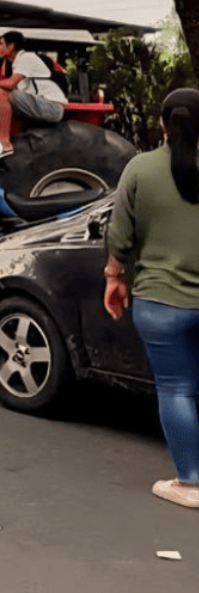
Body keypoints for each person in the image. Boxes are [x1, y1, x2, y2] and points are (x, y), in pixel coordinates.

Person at [105, 88, 199, 509]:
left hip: (160, 302)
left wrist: (114, 277)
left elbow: (119, 236)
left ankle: (191, 483)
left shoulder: (140, 169)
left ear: (163, 124)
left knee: (177, 390)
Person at [0, 30, 68, 163]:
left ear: (11, 46)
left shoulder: (26, 58)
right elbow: (14, 89)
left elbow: (11, 84)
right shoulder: (17, 64)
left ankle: (5, 142)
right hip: (40, 104)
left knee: (0, 92)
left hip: (52, 107)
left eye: (1, 44)